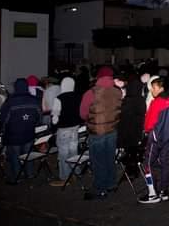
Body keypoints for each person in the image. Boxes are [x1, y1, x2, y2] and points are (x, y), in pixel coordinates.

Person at [80, 66, 122, 200]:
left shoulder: (91, 93)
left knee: (98, 161)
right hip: (112, 130)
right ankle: (111, 184)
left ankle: (100, 188)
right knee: (109, 158)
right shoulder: (118, 92)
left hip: (96, 132)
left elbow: (82, 113)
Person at [139, 76, 169, 204]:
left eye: (154, 88)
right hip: (168, 137)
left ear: (161, 88)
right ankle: (163, 191)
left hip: (156, 137)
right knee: (165, 163)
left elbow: (149, 123)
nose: (152, 91)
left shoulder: (157, 102)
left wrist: (146, 131)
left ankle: (152, 193)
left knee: (147, 164)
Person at [0, 78, 42, 184]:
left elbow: (4, 119)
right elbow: (39, 117)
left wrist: (2, 130)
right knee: (28, 154)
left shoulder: (10, 101)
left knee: (14, 156)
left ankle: (17, 177)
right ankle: (30, 174)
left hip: (13, 135)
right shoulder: (34, 100)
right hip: (29, 133)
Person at [49, 76, 82, 186]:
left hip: (63, 129)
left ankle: (64, 177)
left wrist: (53, 126)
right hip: (75, 127)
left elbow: (55, 117)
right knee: (73, 150)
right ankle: (76, 171)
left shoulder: (59, 98)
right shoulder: (78, 96)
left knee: (63, 153)